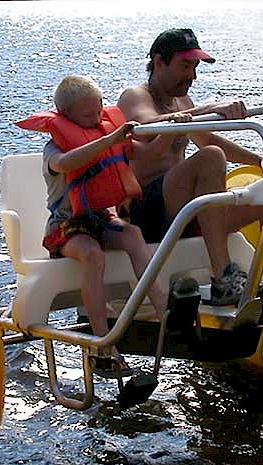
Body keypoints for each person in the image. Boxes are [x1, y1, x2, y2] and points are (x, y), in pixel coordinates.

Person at [117, 28, 263, 305]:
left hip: (185, 212)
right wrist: (209, 108)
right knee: (210, 158)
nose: (192, 76)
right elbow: (146, 128)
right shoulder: (135, 96)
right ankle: (224, 277)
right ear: (159, 61)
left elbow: (206, 137)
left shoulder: (183, 101)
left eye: (195, 67)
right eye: (185, 66)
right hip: (148, 213)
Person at [41, 75, 170, 378]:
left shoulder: (108, 132)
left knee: (133, 234)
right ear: (65, 116)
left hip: (100, 219)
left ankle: (165, 312)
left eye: (99, 110)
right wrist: (108, 141)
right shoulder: (54, 149)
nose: (97, 118)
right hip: (66, 228)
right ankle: (103, 342)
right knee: (92, 255)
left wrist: (172, 127)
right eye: (87, 116)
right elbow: (64, 164)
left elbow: (150, 152)